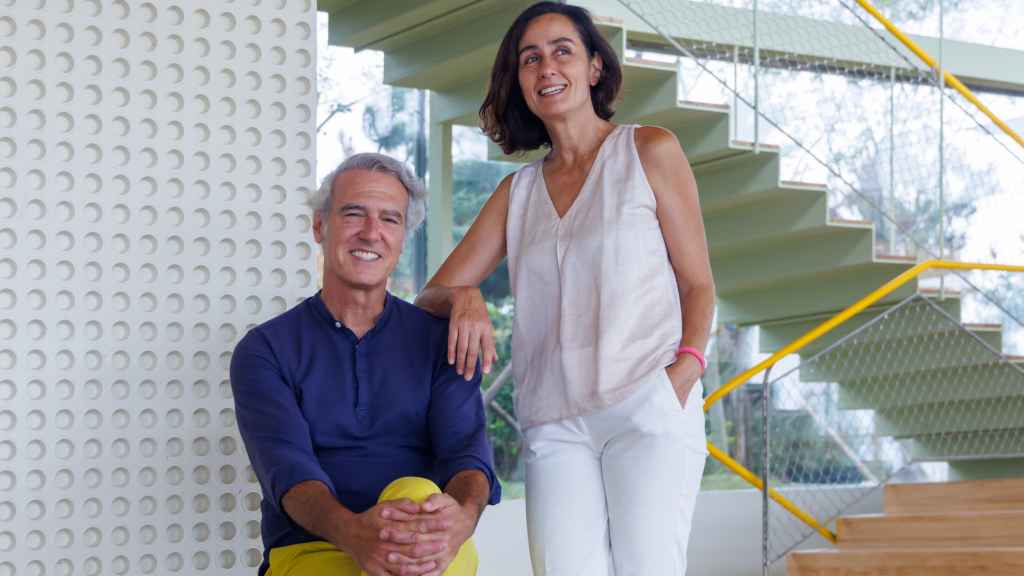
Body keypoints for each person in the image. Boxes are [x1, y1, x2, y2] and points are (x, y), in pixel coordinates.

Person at [414, 2, 714, 574]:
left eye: (562, 50)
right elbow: (433, 293)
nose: (546, 66)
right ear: (519, 81)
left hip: (647, 402)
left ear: (595, 68)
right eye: (530, 58)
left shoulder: (649, 150)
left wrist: (684, 373)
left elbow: (698, 283)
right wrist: (464, 295)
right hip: (554, 423)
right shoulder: (516, 193)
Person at [231, 153, 501, 576]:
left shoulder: (442, 340)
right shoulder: (265, 350)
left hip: (429, 550)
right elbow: (288, 472)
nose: (372, 233)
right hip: (312, 553)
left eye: (390, 219)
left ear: (403, 237)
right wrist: (356, 535)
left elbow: (466, 452)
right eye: (354, 214)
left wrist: (464, 517)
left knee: (415, 496)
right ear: (320, 226)